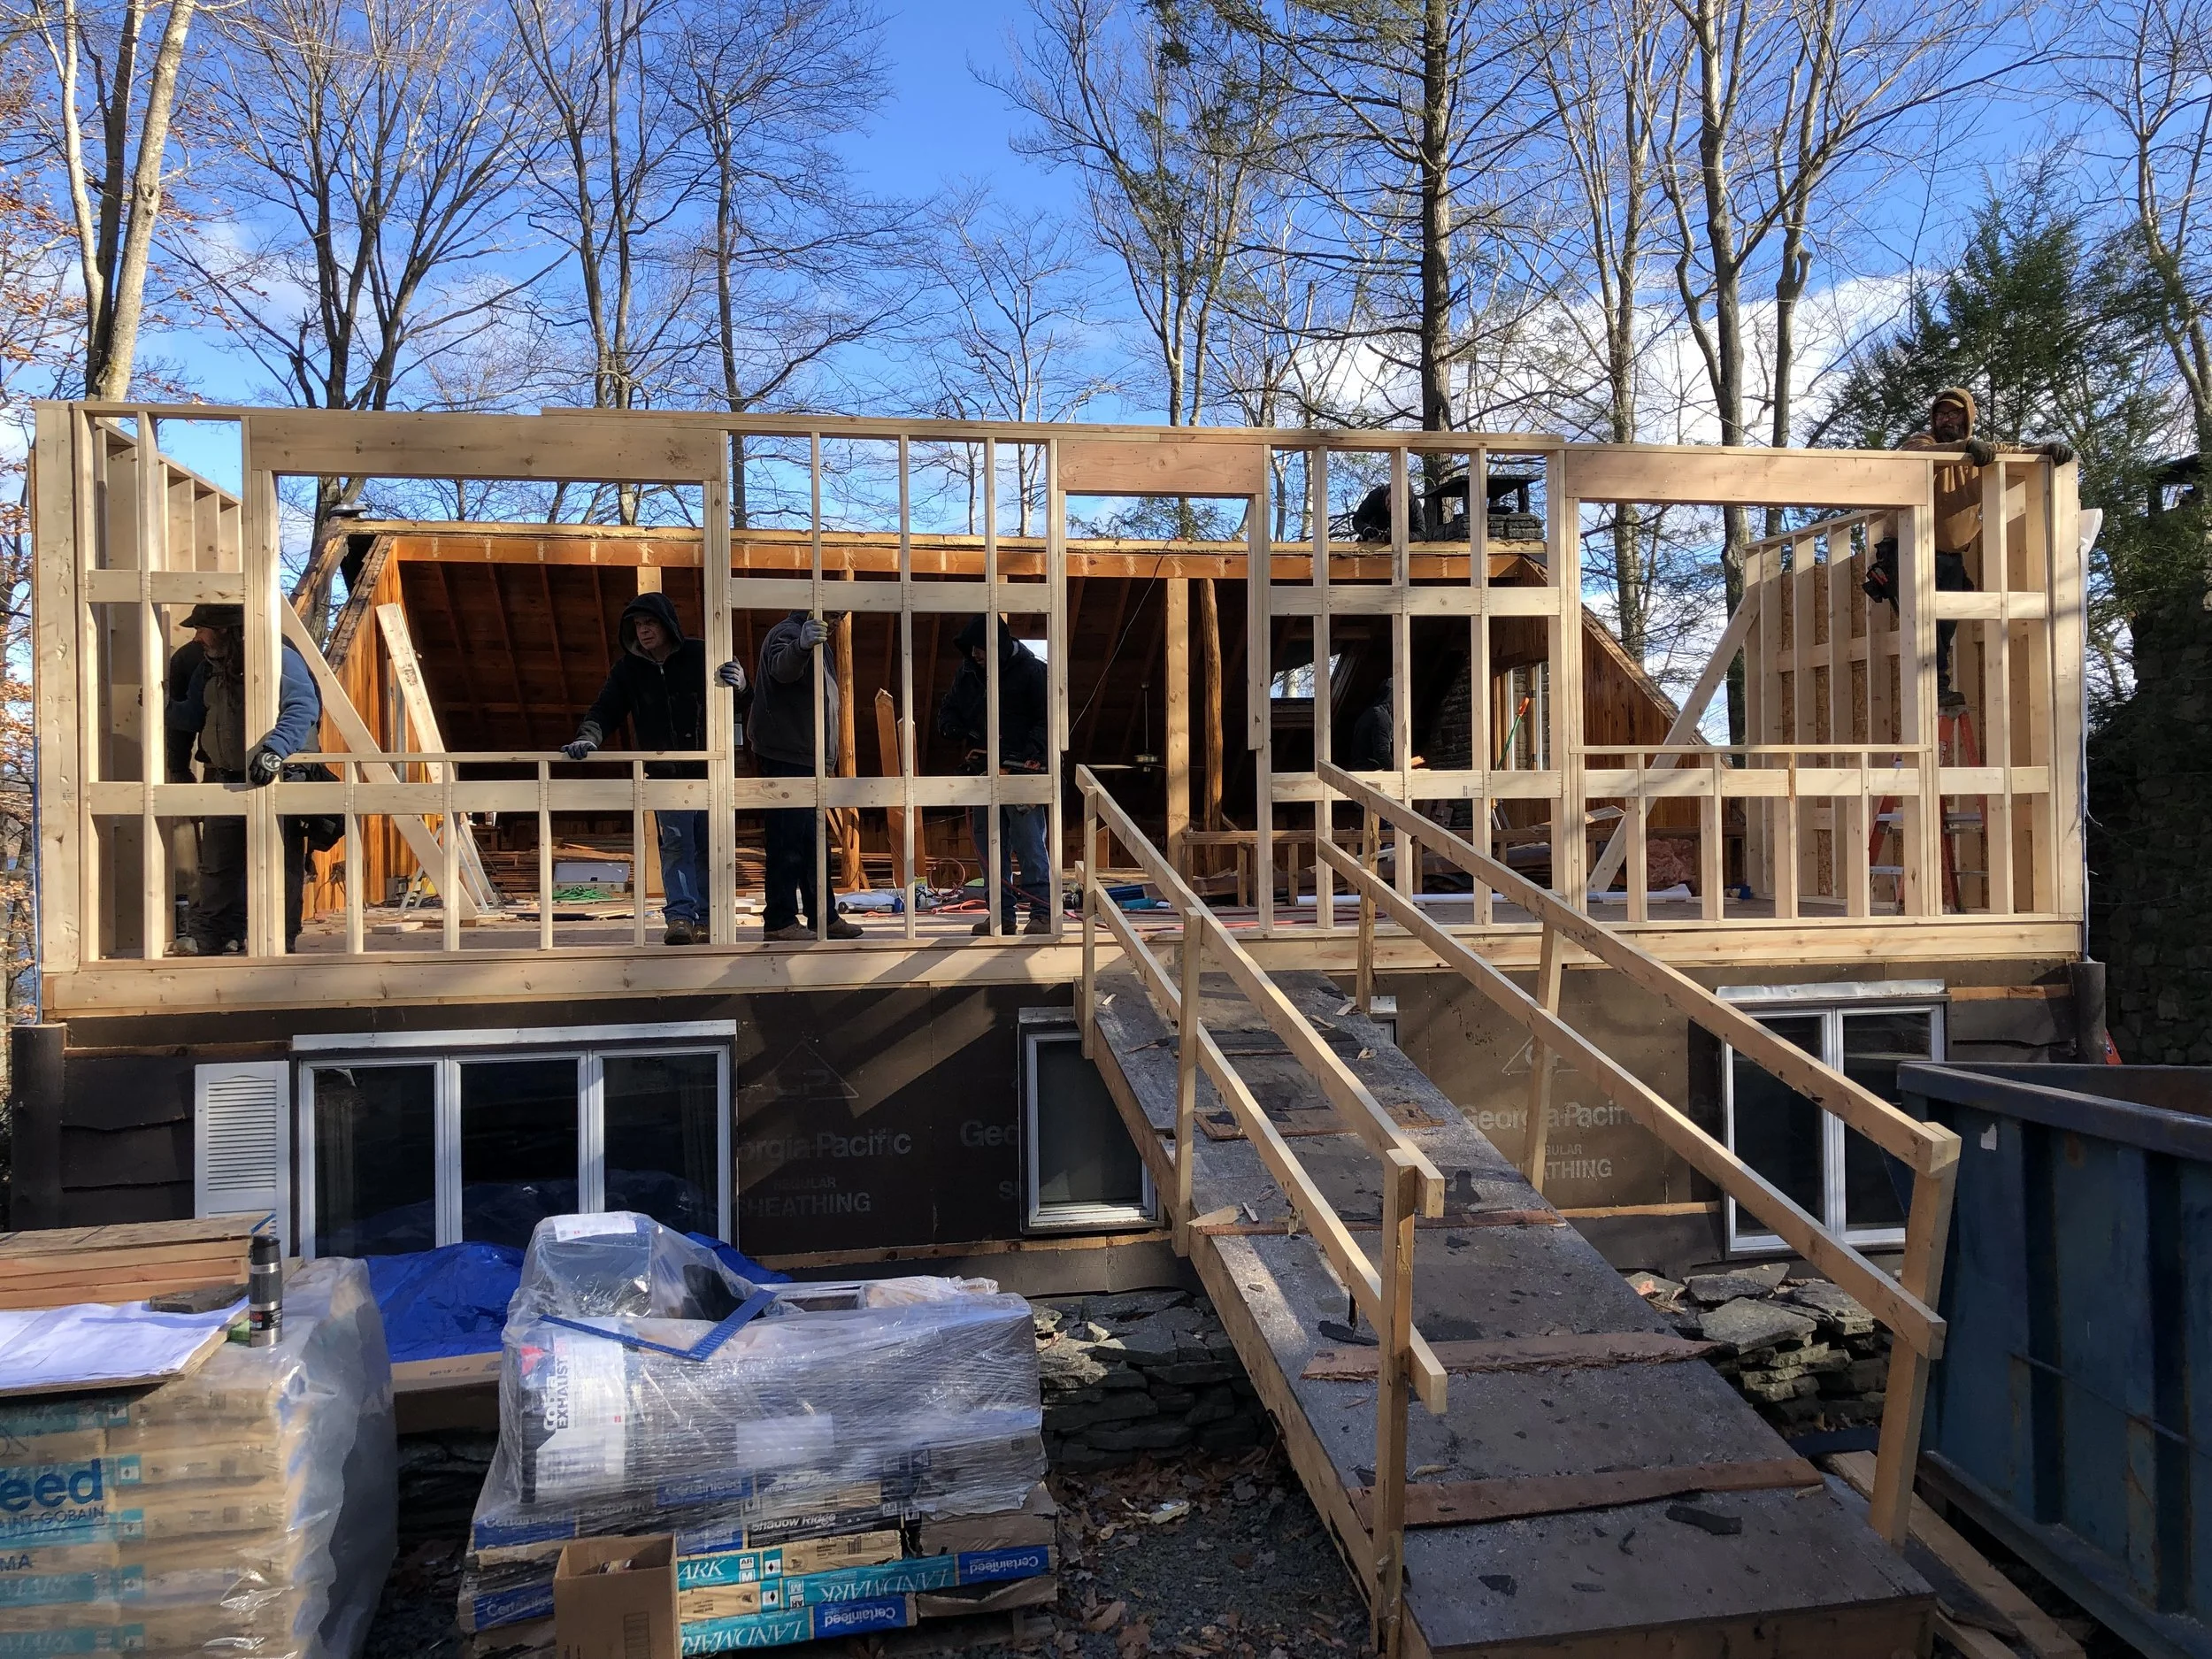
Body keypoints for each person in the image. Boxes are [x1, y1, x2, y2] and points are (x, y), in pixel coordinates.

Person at [562, 592, 746, 945]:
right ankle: (680, 918)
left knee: (711, 846)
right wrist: (588, 739)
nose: (643, 631)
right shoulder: (629, 670)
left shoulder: (702, 655)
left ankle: (708, 919)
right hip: (665, 774)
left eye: (650, 624)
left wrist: (742, 683)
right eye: (638, 626)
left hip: (710, 770)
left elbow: (740, 703)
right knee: (677, 844)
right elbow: (605, 710)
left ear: (666, 625)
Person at [1879, 387, 2076, 712]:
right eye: (1941, 414)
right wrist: (1965, 447)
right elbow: (1914, 456)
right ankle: (1935, 689)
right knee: (1924, 623)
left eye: (1954, 414)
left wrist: (2048, 450)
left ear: (1967, 417)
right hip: (1907, 550)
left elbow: (2018, 452)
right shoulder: (1924, 445)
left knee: (1945, 626)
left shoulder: (1983, 452)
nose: (1946, 420)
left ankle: (1937, 687)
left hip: (1950, 557)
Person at [165, 603, 323, 954]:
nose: (196, 637)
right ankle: (212, 937)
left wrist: (274, 750)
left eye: (202, 628)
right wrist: (163, 705)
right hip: (225, 778)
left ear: (224, 630)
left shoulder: (278, 658)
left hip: (279, 775)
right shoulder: (208, 668)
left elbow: (302, 707)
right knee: (218, 864)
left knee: (279, 863)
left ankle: (277, 939)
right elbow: (192, 714)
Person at [750, 611, 863, 941]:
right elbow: (782, 670)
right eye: (834, 611)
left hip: (810, 759)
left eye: (842, 614)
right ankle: (779, 920)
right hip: (787, 756)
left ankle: (823, 917)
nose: (838, 618)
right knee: (786, 842)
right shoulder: (787, 632)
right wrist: (800, 645)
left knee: (815, 845)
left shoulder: (820, 641)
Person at [937, 615, 1053, 936]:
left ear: (999, 646)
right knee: (989, 847)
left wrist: (1030, 754)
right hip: (983, 772)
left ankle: (1042, 913)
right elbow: (950, 708)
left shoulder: (1033, 672)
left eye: (981, 648)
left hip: (1021, 773)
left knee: (1030, 844)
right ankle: (1002, 916)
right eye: (972, 648)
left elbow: (1047, 721)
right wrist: (953, 727)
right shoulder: (970, 673)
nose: (976, 654)